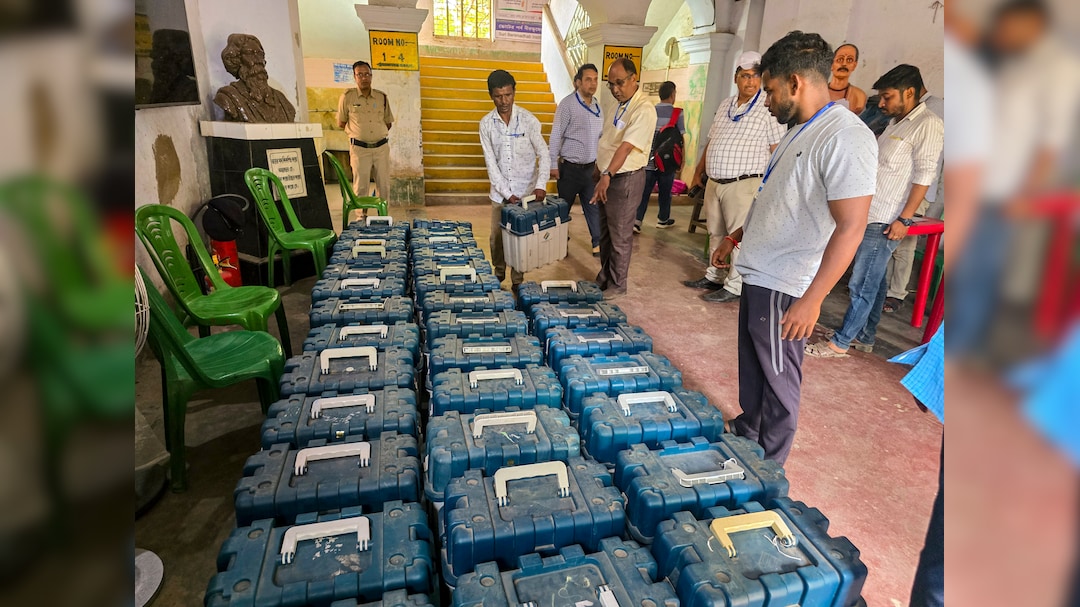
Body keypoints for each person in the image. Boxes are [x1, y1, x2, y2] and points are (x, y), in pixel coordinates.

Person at [710, 31, 876, 464]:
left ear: (796, 82)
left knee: (780, 376)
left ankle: (769, 463)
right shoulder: (799, 131)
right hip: (760, 271)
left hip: (787, 284)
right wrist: (735, 237)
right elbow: (773, 197)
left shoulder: (844, 137)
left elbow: (852, 227)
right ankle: (750, 426)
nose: (766, 101)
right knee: (756, 366)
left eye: (770, 89)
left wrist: (813, 299)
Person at [806, 64, 943, 358]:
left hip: (886, 217)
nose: (881, 103)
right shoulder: (897, 122)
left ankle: (840, 343)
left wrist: (904, 218)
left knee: (860, 283)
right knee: (874, 281)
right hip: (870, 211)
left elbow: (924, 175)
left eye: (887, 97)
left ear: (910, 92)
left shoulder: (927, 124)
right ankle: (864, 335)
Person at [683, 51, 786, 304]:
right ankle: (715, 275)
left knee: (737, 238)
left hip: (745, 183)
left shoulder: (767, 107)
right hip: (716, 182)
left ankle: (735, 284)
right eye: (744, 76)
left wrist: (771, 187)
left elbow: (777, 149)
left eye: (755, 76)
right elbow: (712, 141)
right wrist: (698, 171)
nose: (750, 82)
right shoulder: (725, 105)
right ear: (735, 78)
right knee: (715, 232)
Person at [589, 58, 657, 299]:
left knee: (620, 234)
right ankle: (605, 276)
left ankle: (618, 283)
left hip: (624, 179)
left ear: (633, 78)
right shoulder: (618, 105)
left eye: (619, 83)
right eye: (610, 85)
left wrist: (606, 174)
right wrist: (599, 170)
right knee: (605, 232)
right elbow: (608, 140)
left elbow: (626, 147)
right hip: (608, 176)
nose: (615, 89)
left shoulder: (643, 109)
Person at [479, 69, 550, 289]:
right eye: (499, 96)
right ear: (491, 95)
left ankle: (518, 281)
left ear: (514, 92)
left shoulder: (529, 120)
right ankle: (498, 275)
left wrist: (540, 186)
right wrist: (507, 195)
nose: (504, 101)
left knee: (521, 239)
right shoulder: (486, 124)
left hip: (527, 193)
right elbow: (491, 164)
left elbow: (544, 154)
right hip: (501, 195)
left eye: (508, 95)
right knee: (496, 238)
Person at [882, 84, 945, 314]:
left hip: (918, 190)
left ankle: (896, 293)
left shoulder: (937, 110)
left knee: (904, 246)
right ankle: (885, 289)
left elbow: (932, 162)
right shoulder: (902, 114)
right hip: (894, 190)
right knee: (888, 240)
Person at [549, 64, 604, 256]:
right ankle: (560, 242)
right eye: (588, 79)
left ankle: (597, 243)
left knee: (593, 206)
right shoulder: (567, 105)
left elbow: (601, 137)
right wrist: (552, 164)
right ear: (578, 82)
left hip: (591, 169)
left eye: (595, 79)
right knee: (563, 209)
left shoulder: (597, 106)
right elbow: (556, 135)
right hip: (570, 169)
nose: (593, 83)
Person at [336, 61, 394, 202]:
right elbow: (341, 122)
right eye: (360, 74)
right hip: (359, 149)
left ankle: (383, 218)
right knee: (361, 187)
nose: (364, 78)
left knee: (384, 186)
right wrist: (359, 134)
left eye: (367, 74)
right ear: (354, 77)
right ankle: (361, 218)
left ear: (371, 76)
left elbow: (388, 122)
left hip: (381, 149)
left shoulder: (382, 97)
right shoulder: (347, 97)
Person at [634, 81, 684, 232]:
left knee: (644, 192)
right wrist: (682, 160)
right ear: (672, 94)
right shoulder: (677, 113)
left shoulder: (651, 110)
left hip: (649, 160)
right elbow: (681, 139)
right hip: (667, 161)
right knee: (665, 191)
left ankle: (637, 221)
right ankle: (663, 219)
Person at [213, 33, 296, 123]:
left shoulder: (281, 99)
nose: (257, 60)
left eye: (260, 54)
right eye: (250, 53)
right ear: (237, 59)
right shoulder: (228, 96)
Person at [828, 43, 867, 114]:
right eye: (840, 59)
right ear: (832, 64)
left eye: (849, 60)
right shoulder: (818, 91)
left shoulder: (859, 96)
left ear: (854, 65)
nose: (844, 64)